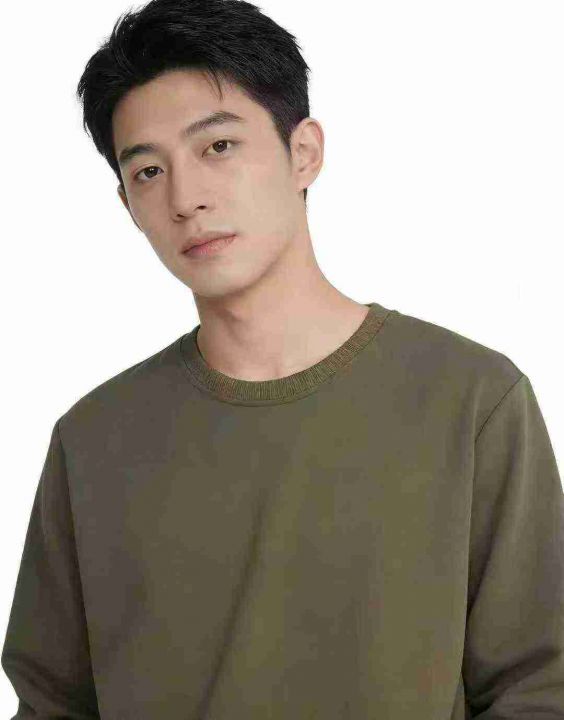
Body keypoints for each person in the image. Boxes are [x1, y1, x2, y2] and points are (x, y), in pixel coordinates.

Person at [2, 0, 563, 717]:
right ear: (127, 205)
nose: (185, 198)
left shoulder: (472, 400)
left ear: (304, 153)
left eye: (218, 147)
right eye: (147, 171)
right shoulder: (91, 440)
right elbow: (52, 703)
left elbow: (538, 687)